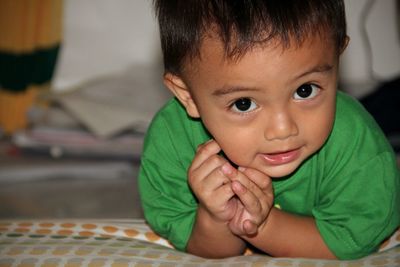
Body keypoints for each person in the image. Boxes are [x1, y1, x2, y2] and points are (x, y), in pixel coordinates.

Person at [138, 0, 400, 260]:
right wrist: (216, 218)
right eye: (243, 104)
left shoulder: (357, 148)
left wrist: (263, 225)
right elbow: (206, 255)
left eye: (305, 90)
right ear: (188, 97)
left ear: (337, 59)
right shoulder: (173, 142)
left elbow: (347, 243)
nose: (282, 129)